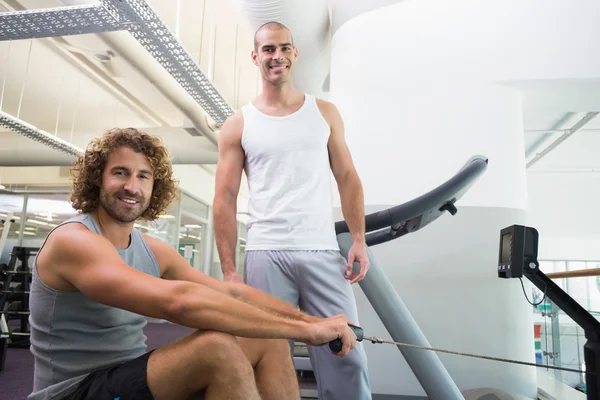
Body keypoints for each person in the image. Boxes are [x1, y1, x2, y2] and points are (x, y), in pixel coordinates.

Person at [27, 128, 359, 400]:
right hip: (74, 391)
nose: (132, 186)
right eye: (120, 173)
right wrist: (305, 331)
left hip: (131, 378)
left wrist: (315, 320)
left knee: (266, 338)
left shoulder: (153, 251)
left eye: (143, 176)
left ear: (154, 187)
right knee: (216, 349)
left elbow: (232, 293)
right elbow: (177, 302)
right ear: (98, 179)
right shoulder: (74, 241)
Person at [213, 21, 372, 400]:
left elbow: (348, 176)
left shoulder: (325, 113)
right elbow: (224, 197)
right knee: (268, 358)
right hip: (265, 252)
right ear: (256, 57)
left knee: (347, 353)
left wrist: (359, 239)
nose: (277, 56)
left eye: (284, 48)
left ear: (295, 54)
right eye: (268, 49)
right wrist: (229, 271)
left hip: (320, 250)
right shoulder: (238, 124)